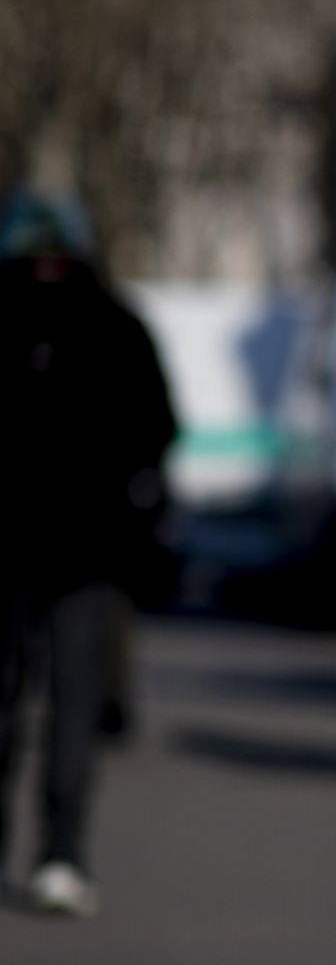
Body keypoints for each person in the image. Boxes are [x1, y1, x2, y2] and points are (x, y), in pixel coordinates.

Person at [0, 190, 176, 916]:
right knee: (70, 709)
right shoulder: (118, 324)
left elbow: (158, 432)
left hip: (50, 554)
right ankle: (61, 856)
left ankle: (60, 853)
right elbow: (160, 431)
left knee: (36, 710)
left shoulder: (110, 324)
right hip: (85, 554)